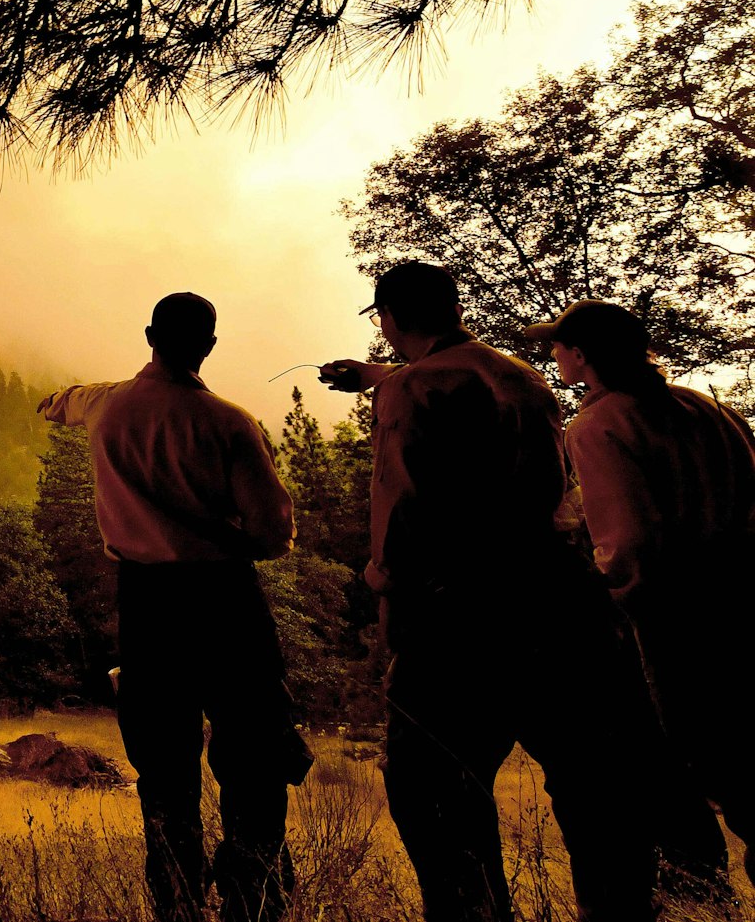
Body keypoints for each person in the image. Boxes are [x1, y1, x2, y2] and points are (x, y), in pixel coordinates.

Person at [319, 263, 659, 922]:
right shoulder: (524, 378)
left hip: (458, 612)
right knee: (588, 784)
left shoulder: (411, 390)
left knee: (431, 785)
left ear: (388, 316)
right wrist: (370, 376)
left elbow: (403, 500)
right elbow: (467, 404)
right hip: (555, 598)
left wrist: (383, 582)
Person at [39, 292, 311, 922]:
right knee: (252, 756)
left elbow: (64, 401)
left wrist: (54, 401)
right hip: (224, 602)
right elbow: (273, 533)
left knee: (163, 766)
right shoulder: (228, 422)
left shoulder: (105, 405)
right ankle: (254, 896)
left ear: (148, 335)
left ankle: (177, 900)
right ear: (209, 345)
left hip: (146, 604)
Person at [525, 299, 755, 886]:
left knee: (711, 761)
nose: (553, 354)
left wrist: (615, 599)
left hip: (677, 619)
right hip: (743, 602)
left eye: (559, 345)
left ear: (580, 356)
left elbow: (625, 541)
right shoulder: (709, 409)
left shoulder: (599, 425)